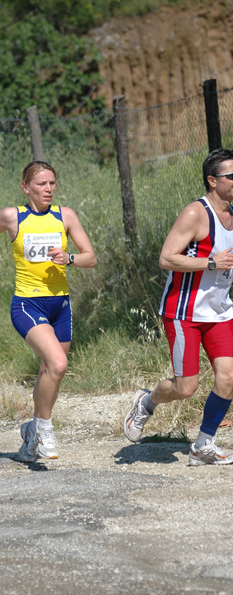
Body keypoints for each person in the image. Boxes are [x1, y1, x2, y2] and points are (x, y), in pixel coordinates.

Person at [0, 161, 96, 463]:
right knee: (57, 364)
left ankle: (31, 434)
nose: (48, 189)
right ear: (25, 187)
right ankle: (44, 428)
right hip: (28, 304)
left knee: (49, 371)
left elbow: (90, 257)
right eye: (42, 184)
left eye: (52, 183)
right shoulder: (12, 217)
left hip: (60, 304)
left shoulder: (64, 216)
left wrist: (68, 258)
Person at [124, 148, 233, 466]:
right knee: (186, 387)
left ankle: (203, 445)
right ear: (212, 181)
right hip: (185, 313)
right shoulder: (195, 214)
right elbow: (166, 258)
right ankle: (147, 401)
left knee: (228, 378)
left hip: (221, 311)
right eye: (231, 176)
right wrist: (210, 262)